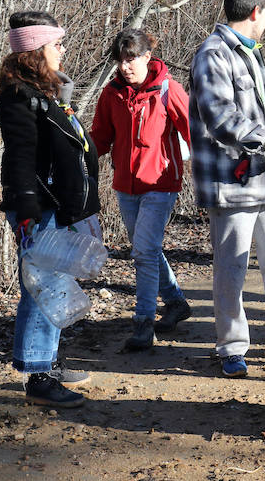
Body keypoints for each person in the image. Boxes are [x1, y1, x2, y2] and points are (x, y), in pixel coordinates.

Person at [189, 0, 265, 376]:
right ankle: (231, 347)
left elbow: (257, 112)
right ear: (255, 12)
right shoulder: (212, 54)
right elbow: (219, 116)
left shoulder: (251, 53)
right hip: (232, 185)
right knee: (232, 267)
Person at [0, 10, 101, 407]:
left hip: (56, 206)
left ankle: (46, 362)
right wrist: (27, 212)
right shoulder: (19, 98)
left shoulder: (44, 94)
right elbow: (20, 158)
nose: (62, 49)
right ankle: (38, 377)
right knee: (42, 289)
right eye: (56, 43)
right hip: (38, 208)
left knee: (52, 286)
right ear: (36, 49)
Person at [90, 29, 193, 350]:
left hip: (161, 184)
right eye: (120, 60)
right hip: (125, 185)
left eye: (131, 58)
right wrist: (72, 155)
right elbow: (100, 139)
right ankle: (175, 301)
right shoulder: (111, 94)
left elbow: (195, 134)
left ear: (148, 57)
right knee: (146, 250)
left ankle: (143, 322)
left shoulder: (168, 90)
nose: (125, 66)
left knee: (144, 252)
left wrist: (212, 175)